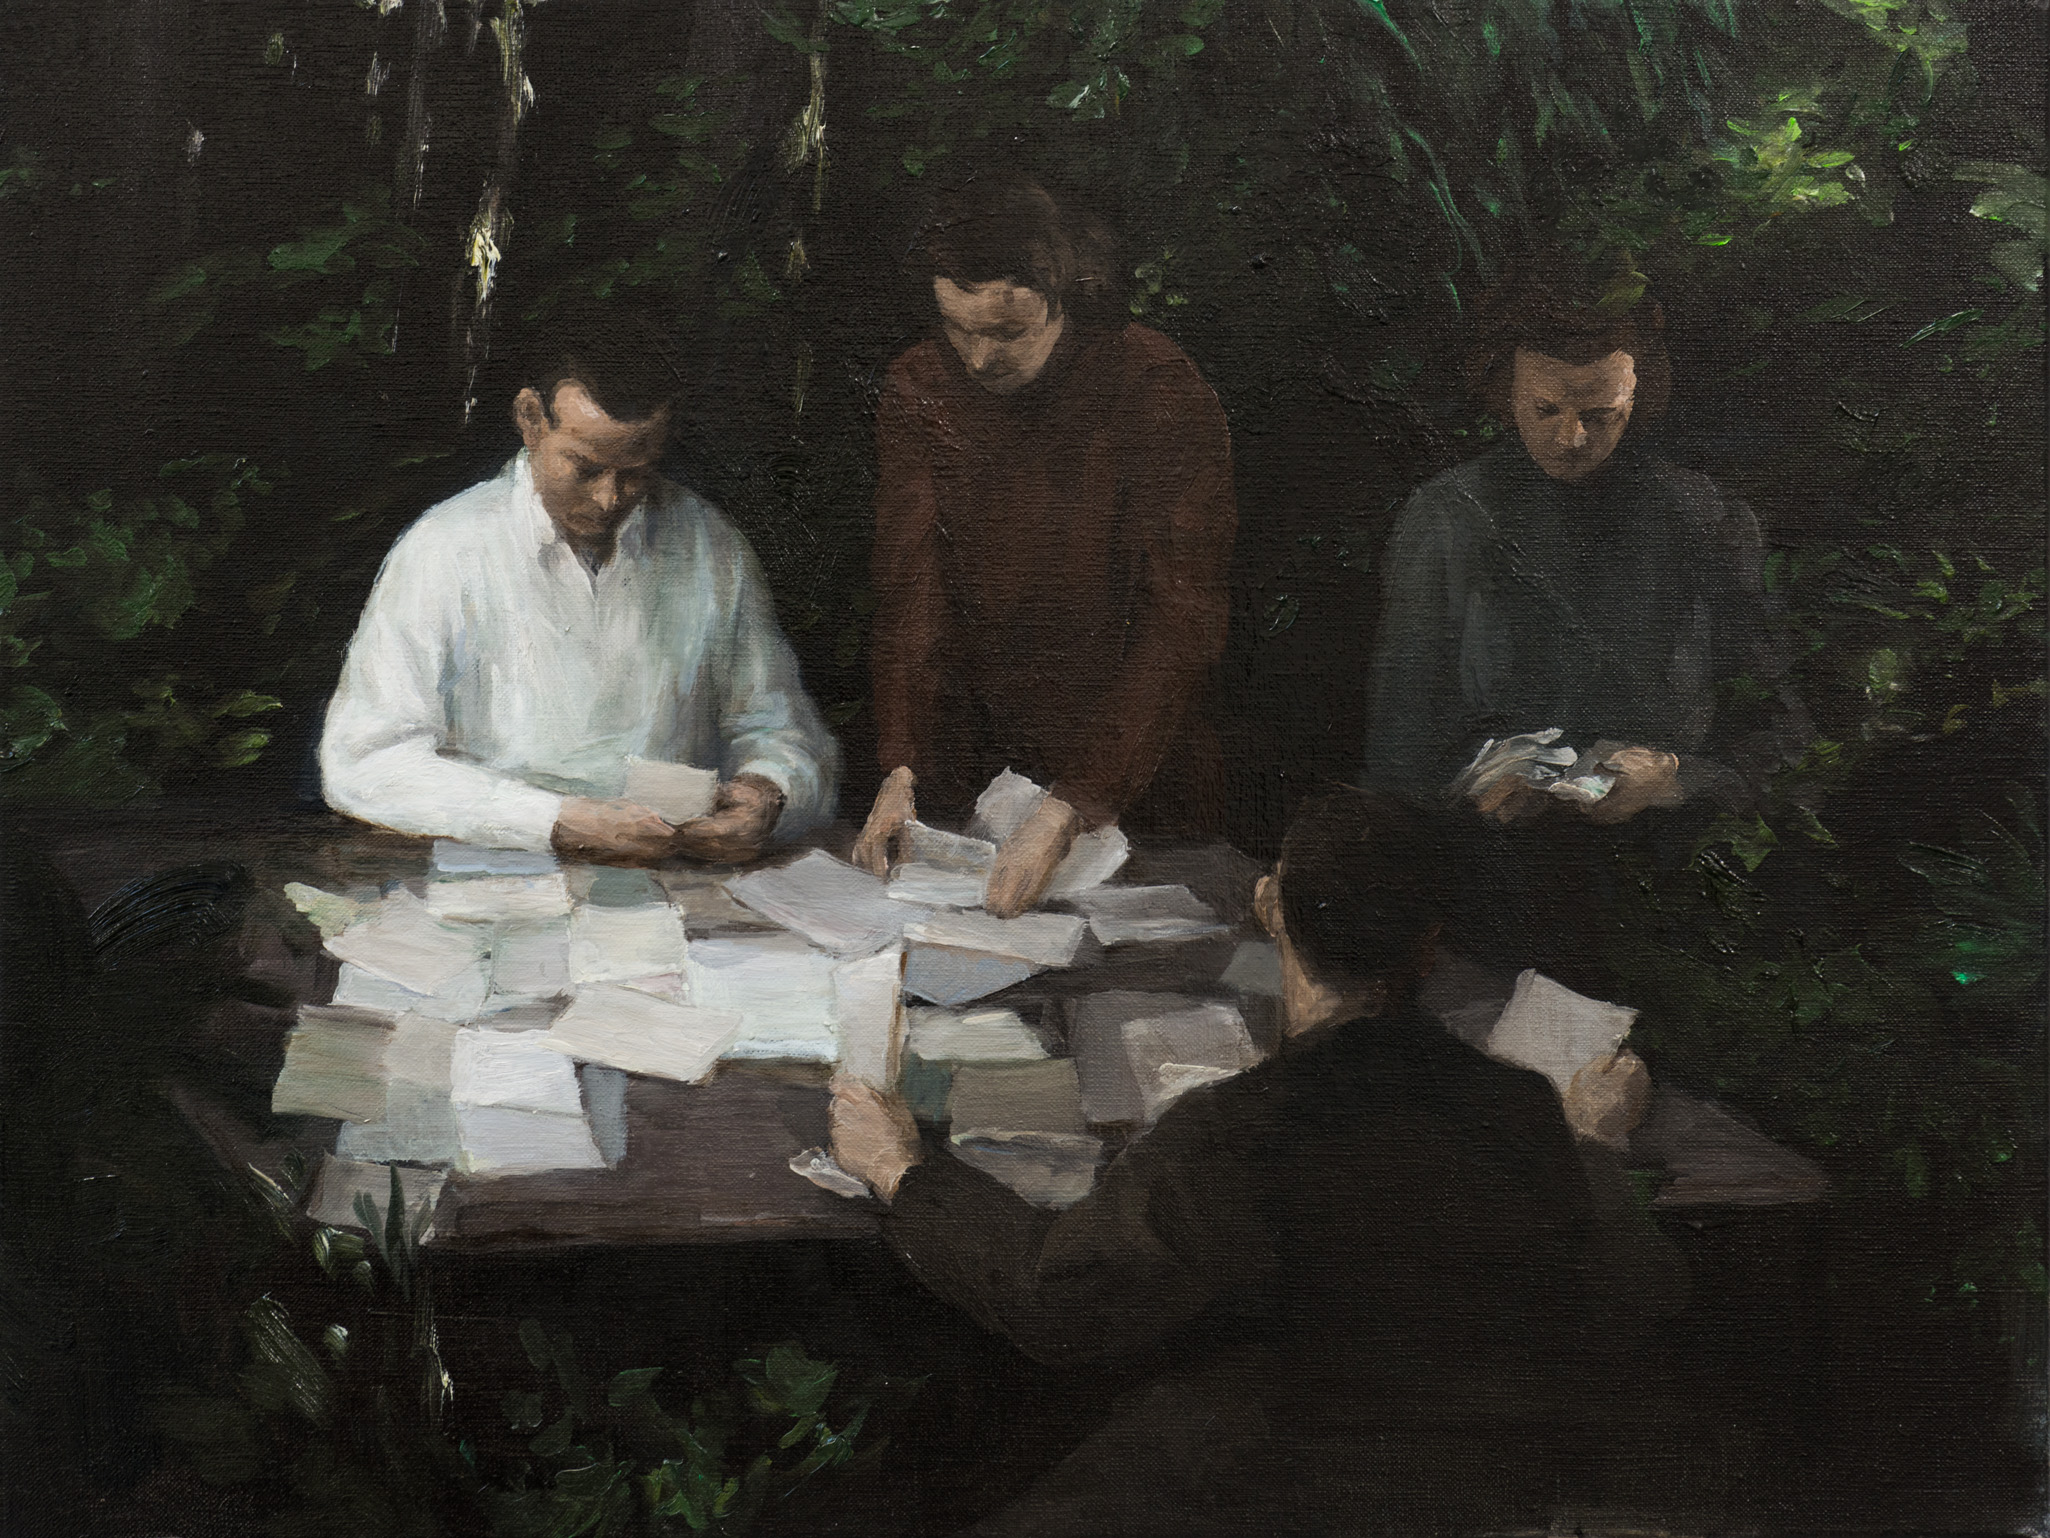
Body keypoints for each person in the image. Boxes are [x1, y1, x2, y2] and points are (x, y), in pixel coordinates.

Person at [832, 787, 1597, 1536]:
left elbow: (1055, 1302)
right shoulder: (1523, 1107)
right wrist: (1594, 1142)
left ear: (1271, 906)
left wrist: (904, 1172)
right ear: (1430, 944)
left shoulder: (1242, 1130)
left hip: (1269, 1497)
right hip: (1467, 1499)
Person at [1361, 256, 1808, 984]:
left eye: (1601, 416)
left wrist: (1677, 777)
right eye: (1546, 411)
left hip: (1676, 908)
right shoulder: (1447, 523)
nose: (1572, 438)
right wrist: (1471, 794)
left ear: (1638, 397)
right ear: (1505, 392)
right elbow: (1394, 757)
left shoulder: (1707, 522)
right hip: (1485, 907)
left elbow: (1784, 737)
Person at [851, 175, 1238, 917]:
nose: (978, 360)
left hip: (1139, 778)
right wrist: (901, 769)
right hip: (975, 773)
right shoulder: (919, 385)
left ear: (1067, 301)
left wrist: (1073, 806)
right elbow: (911, 592)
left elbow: (1180, 623)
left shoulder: (1156, 390)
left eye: (1007, 334)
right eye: (957, 329)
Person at [320, 313, 839, 864]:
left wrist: (767, 792)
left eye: (636, 472)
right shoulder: (444, 549)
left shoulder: (710, 545)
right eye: (585, 467)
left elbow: (781, 729)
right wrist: (555, 821)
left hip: (681, 880)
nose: (609, 499)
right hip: (494, 880)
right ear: (530, 420)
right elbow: (362, 763)